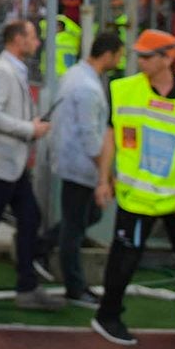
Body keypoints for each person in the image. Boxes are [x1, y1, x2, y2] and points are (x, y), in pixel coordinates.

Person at [91, 29, 175, 349]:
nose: (141, 61)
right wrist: (104, 179)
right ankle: (108, 317)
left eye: (147, 56)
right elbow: (110, 137)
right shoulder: (124, 90)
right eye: (140, 55)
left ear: (168, 57)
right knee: (123, 261)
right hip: (138, 197)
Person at [0, 18, 62, 309]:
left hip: (12, 164)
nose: (37, 42)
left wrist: (31, 124)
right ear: (18, 39)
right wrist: (29, 128)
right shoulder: (2, 70)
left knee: (30, 218)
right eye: (33, 36)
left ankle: (27, 285)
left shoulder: (14, 69)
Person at [47, 31, 124, 307]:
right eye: (119, 55)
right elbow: (91, 138)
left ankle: (41, 247)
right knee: (75, 226)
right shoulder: (88, 88)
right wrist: (105, 175)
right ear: (109, 54)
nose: (120, 61)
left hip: (72, 161)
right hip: (80, 165)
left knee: (84, 216)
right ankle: (74, 286)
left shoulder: (76, 75)